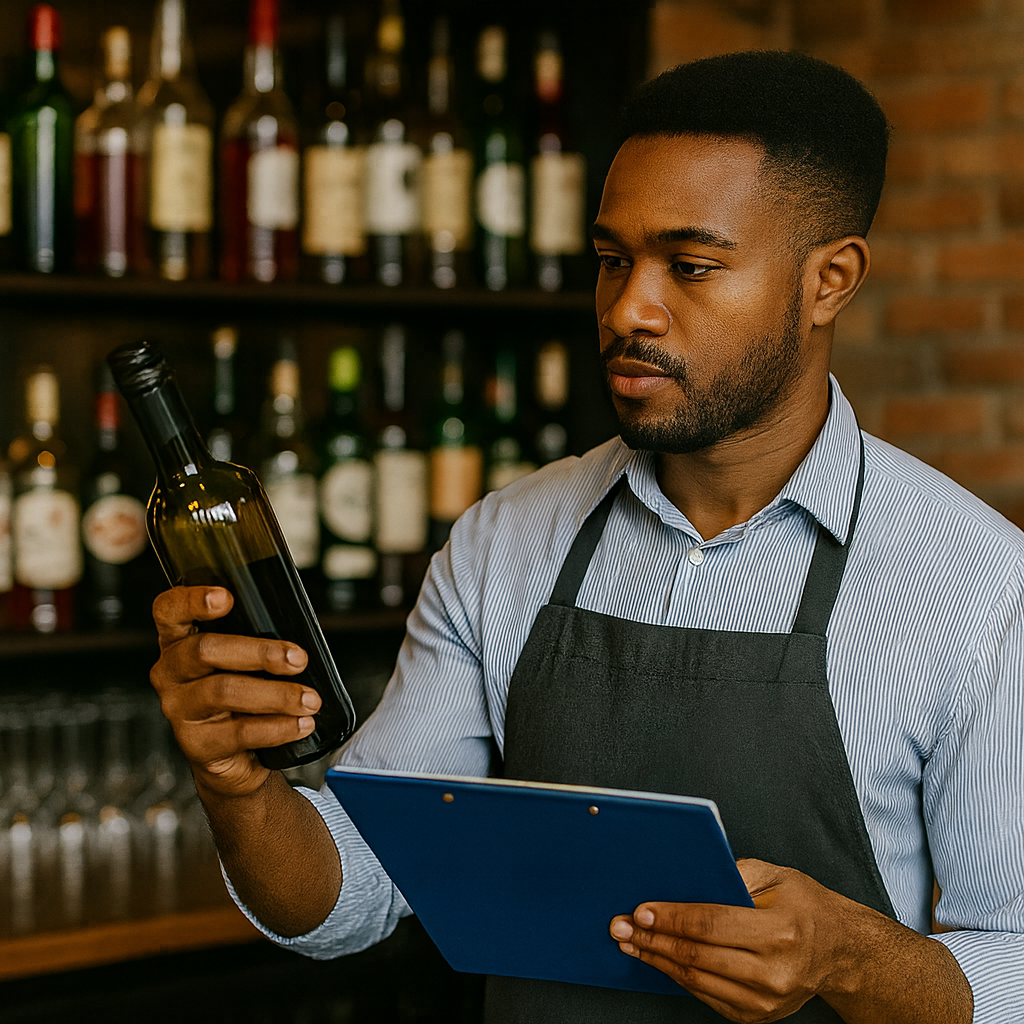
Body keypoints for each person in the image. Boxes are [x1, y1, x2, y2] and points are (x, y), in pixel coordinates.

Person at [150, 51, 1023, 1022]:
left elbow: (1019, 964)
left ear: (830, 280)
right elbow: (351, 888)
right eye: (612, 260)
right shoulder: (504, 540)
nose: (627, 309)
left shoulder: (973, 582)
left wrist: (848, 953)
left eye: (689, 266)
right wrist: (237, 790)